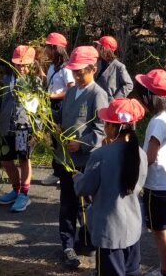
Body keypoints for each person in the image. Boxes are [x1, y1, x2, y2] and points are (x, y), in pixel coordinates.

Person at [74, 98, 147, 276]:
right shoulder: (140, 153)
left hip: (110, 231)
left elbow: (85, 188)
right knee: (132, 272)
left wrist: (77, 178)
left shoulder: (100, 155)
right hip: (133, 227)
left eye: (106, 122)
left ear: (113, 127)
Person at [55, 45, 109, 269]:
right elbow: (63, 116)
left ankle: (87, 239)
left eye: (81, 72)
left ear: (93, 69)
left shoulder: (98, 94)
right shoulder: (70, 92)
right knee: (68, 203)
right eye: (74, 72)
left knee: (88, 205)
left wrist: (81, 143)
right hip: (66, 160)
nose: (77, 76)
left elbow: (100, 129)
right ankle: (67, 244)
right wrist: (56, 125)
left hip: (87, 161)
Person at [135, 69, 166, 276]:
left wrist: (134, 172)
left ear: (150, 96)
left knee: (162, 231)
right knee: (158, 228)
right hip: (162, 184)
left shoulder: (157, 122)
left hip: (157, 184)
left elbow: (151, 156)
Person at [0, 45, 38, 213]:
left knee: (23, 158)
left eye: (26, 65)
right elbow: (1, 100)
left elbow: (38, 107)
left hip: (24, 127)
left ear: (32, 64)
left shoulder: (35, 82)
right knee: (6, 159)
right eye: (19, 64)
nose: (22, 68)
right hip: (7, 126)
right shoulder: (7, 79)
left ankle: (24, 194)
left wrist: (37, 128)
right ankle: (16, 189)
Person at [42, 32, 75, 187]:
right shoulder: (52, 66)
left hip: (60, 107)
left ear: (55, 49)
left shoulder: (66, 68)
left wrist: (53, 95)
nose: (45, 50)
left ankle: (65, 172)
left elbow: (71, 90)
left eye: (48, 47)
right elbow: (51, 83)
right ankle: (57, 171)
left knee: (62, 140)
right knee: (55, 141)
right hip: (51, 106)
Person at [93, 35, 134, 101]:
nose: (96, 48)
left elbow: (129, 85)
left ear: (103, 48)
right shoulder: (97, 63)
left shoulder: (119, 67)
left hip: (108, 105)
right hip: (96, 101)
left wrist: (115, 100)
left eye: (98, 46)